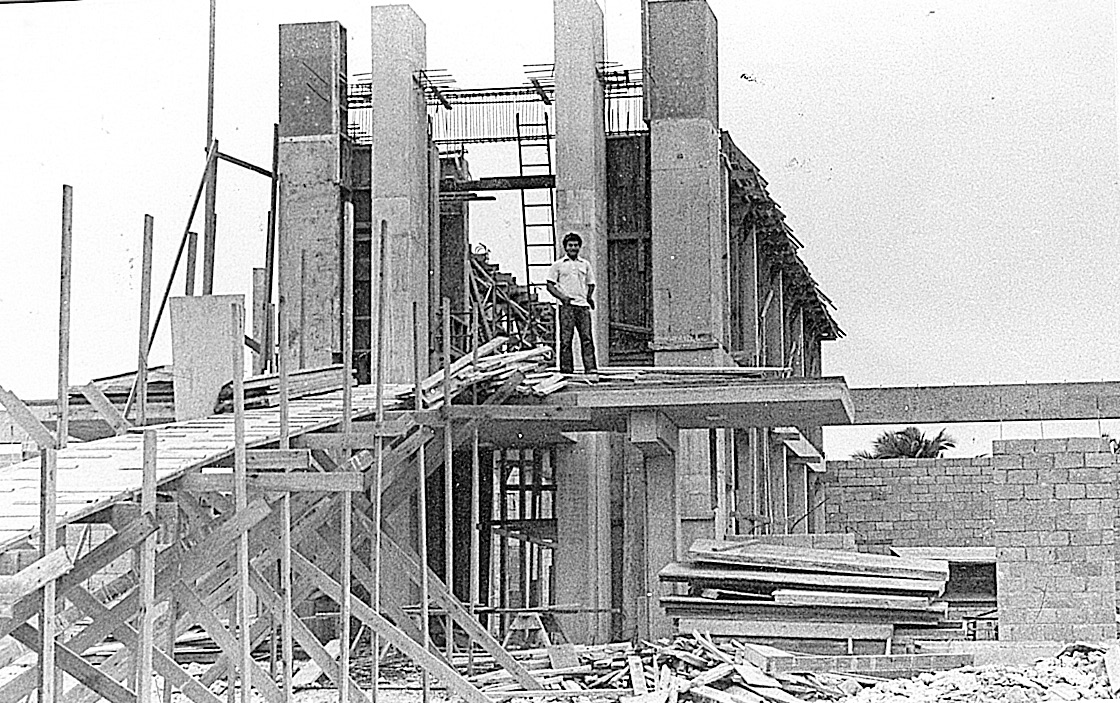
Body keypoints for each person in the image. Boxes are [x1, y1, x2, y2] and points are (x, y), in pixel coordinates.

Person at [546, 232, 598, 375]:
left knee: (586, 338)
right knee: (566, 340)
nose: (573, 248)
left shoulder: (585, 264)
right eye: (570, 245)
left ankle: (591, 369)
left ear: (579, 247)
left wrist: (589, 297)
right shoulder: (558, 265)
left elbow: (591, 283)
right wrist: (563, 297)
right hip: (567, 307)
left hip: (582, 307)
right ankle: (567, 371)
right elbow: (550, 285)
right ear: (565, 247)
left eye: (576, 245)